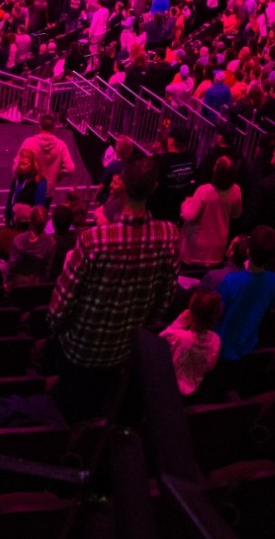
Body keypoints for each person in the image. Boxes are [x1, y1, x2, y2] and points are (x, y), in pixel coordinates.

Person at [46, 157, 180, 421]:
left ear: (123, 186)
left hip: (80, 350)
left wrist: (59, 332)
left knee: (69, 414)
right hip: (125, 350)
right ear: (154, 187)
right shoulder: (169, 236)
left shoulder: (94, 240)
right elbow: (164, 303)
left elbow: (59, 307)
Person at [212, 225, 275, 363]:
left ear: (248, 250)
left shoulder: (232, 281)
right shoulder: (274, 280)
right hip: (250, 345)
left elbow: (217, 313)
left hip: (222, 346)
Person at [178, 157, 242, 268]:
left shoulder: (204, 191)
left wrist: (186, 203)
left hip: (197, 246)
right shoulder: (236, 190)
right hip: (218, 246)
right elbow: (236, 214)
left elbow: (189, 215)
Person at [162, 289, 224, 397]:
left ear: (191, 313)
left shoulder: (179, 337)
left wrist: (179, 321)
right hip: (194, 389)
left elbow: (161, 338)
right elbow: (209, 366)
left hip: (170, 387)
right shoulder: (216, 340)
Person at [18, 112, 72, 188]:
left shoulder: (28, 142)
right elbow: (70, 168)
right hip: (48, 190)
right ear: (54, 127)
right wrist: (59, 176)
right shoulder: (61, 145)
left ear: (39, 126)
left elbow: (17, 165)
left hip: (28, 190)